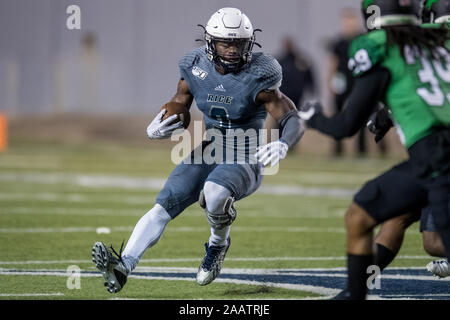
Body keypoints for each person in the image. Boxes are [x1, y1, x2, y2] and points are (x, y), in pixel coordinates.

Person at [91, 7, 304, 294]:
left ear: (248, 44)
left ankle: (218, 245)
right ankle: (123, 266)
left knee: (215, 192)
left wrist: (282, 142)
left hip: (246, 153)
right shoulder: (193, 65)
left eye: (238, 43)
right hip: (210, 147)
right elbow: (181, 102)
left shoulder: (260, 73)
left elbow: (292, 118)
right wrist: (166, 121)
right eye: (224, 43)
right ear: (210, 43)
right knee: (163, 204)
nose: (231, 50)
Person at [300, 0, 450, 299]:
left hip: (438, 159)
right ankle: (355, 294)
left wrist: (312, 117)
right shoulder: (436, 43)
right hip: (427, 160)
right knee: (362, 214)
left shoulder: (380, 46)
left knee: (435, 241)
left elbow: (345, 126)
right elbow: (420, 86)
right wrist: (386, 115)